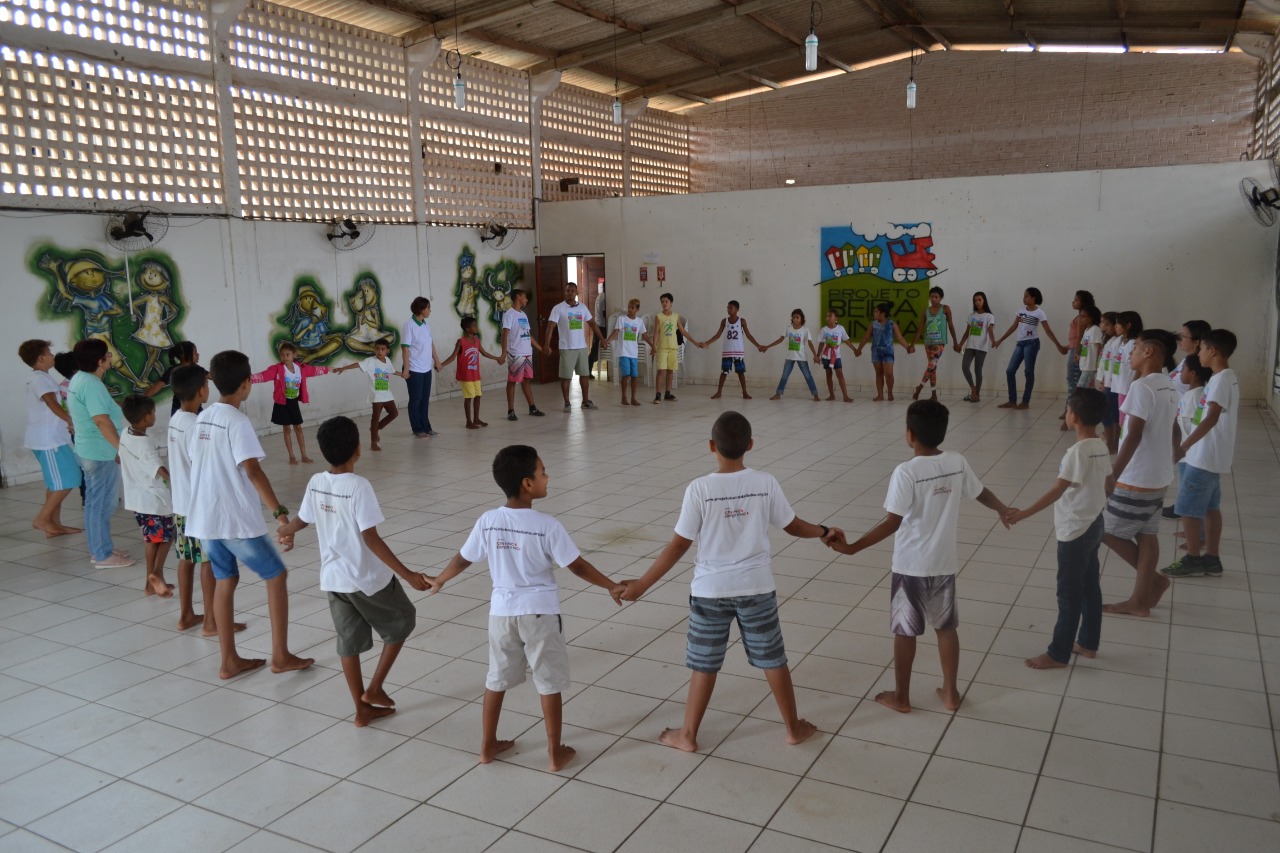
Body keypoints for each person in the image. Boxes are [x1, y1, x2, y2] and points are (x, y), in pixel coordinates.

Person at [618, 411, 820, 751]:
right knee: (773, 659)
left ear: (711, 446)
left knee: (704, 664)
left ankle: (688, 736)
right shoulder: (765, 482)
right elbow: (792, 525)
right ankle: (793, 728)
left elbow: (679, 544)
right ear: (751, 445)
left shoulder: (700, 489)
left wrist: (642, 584)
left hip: (710, 592)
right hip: (757, 588)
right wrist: (824, 532)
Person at [427, 445, 626, 771]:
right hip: (540, 614)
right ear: (527, 484)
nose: (548, 477)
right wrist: (611, 586)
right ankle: (553, 753)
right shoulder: (547, 525)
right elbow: (576, 566)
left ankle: (487, 747)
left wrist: (440, 579)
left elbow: (464, 557)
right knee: (548, 682)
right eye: (542, 472)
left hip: (501, 615)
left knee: (496, 678)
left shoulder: (489, 520)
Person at [823, 401, 1011, 712]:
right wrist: (1003, 509)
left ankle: (902, 697)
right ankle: (951, 694)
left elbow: (892, 522)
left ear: (909, 434)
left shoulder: (906, 472)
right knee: (946, 627)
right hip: (944, 563)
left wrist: (853, 547)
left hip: (911, 566)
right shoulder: (956, 461)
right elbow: (981, 492)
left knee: (905, 631)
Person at [277, 417, 432, 726]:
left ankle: (361, 710)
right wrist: (408, 574)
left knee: (348, 642)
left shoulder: (317, 482)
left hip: (334, 580)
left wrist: (285, 530)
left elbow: (302, 520)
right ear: (357, 450)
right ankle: (374, 689)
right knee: (403, 621)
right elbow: (370, 538)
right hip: (367, 579)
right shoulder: (359, 487)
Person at [185, 350, 314, 679]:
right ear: (246, 384)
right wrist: (281, 514)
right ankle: (280, 656)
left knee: (226, 579)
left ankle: (228, 661)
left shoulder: (203, 417)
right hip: (234, 520)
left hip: (205, 520)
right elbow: (253, 470)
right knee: (276, 575)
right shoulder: (236, 421)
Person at [1005, 389, 1112, 669]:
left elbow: (1057, 490)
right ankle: (1088, 643)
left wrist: (1023, 513)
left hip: (1075, 530)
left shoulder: (1077, 452)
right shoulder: (1101, 444)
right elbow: (1109, 485)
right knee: (1090, 587)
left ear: (1073, 415)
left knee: (1068, 594)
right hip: (1094, 524)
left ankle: (1058, 653)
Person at [1099, 330, 1179, 618]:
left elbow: (1132, 436)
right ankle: (1141, 598)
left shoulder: (1143, 388)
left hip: (1137, 477)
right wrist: (1177, 450)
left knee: (1106, 530)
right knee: (1147, 534)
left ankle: (1153, 584)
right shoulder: (1167, 384)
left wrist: (1111, 475)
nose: (1129, 355)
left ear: (1149, 353)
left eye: (1135, 350)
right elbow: (1172, 425)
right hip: (1159, 474)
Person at [168, 364, 239, 636]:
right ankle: (211, 622)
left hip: (181, 504)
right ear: (201, 390)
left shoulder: (176, 419)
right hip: (198, 507)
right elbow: (202, 464)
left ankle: (186, 614)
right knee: (210, 562)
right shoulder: (195, 424)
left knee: (187, 559)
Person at [1163, 330, 1238, 579]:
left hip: (1203, 456)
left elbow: (1212, 416)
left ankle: (1193, 559)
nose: (1200, 354)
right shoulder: (1223, 378)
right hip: (1211, 456)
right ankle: (1212, 559)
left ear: (1213, 351)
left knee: (1188, 509)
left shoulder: (1220, 380)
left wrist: (1185, 446)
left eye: (1203, 349)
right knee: (1210, 507)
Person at [67, 338, 133, 569]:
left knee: (99, 503)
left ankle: (101, 547)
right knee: (100, 504)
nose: (111, 358)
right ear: (100, 361)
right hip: (98, 452)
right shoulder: (91, 384)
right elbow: (101, 421)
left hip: (92, 449)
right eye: (108, 355)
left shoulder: (81, 379)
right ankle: (102, 554)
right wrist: (121, 449)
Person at [19, 339, 80, 538]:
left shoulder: (41, 377)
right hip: (49, 440)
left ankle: (54, 525)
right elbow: (51, 403)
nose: (53, 356)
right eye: (50, 353)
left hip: (51, 438)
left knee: (56, 483)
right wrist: (70, 420)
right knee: (68, 479)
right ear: (41, 358)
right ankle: (43, 519)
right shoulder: (40, 379)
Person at [118, 395, 176, 599]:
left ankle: (149, 583)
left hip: (136, 499)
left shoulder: (126, 433)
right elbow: (158, 468)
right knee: (168, 536)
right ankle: (156, 573)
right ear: (145, 418)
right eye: (153, 413)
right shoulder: (145, 444)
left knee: (151, 538)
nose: (155, 416)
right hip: (155, 500)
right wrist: (177, 483)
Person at [251, 341, 334, 464]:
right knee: (286, 428)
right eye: (282, 355)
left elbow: (314, 370)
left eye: (287, 354)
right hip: (282, 402)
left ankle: (304, 455)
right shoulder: (277, 369)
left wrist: (328, 369)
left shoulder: (301, 368)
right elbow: (264, 376)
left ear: (294, 355)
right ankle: (291, 456)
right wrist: (248, 379)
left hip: (293, 402)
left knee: (298, 428)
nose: (285, 357)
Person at [1162, 319, 1212, 520]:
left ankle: (1187, 511)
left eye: (1185, 337)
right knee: (1182, 467)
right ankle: (1183, 506)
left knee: (1187, 467)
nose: (1181, 340)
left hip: (1187, 422)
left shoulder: (1198, 367)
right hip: (1178, 418)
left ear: (1198, 342)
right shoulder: (1186, 361)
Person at [994, 287, 1067, 409]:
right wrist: (1000, 340)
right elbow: (1013, 327)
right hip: (1020, 343)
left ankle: (1025, 402)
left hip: (1032, 344)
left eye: (1026, 296)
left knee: (1028, 371)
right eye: (1024, 296)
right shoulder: (1021, 310)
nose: (1024, 298)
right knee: (1010, 371)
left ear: (1033, 298)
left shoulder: (1040, 313)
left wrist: (1058, 345)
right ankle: (1012, 401)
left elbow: (1048, 331)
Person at [542, 283, 607, 412]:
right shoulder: (558, 308)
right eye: (567, 290)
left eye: (572, 290)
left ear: (577, 292)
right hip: (567, 348)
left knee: (584, 375)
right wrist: (546, 345)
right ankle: (567, 403)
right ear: (564, 293)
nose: (570, 292)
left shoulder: (582, 308)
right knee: (566, 377)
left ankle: (585, 401)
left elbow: (593, 324)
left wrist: (602, 339)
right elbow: (550, 327)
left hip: (581, 347)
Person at [440, 316, 503, 429]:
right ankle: (468, 421)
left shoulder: (477, 341)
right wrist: (441, 364)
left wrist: (497, 358)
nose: (476, 327)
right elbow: (453, 356)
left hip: (475, 375)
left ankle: (476, 418)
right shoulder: (461, 342)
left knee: (478, 395)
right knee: (469, 397)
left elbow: (484, 353)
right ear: (468, 329)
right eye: (474, 325)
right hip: (466, 375)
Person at [500, 288, 546, 421]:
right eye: (525, 297)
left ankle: (532, 407)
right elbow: (505, 334)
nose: (526, 300)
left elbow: (528, 335)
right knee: (513, 381)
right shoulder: (510, 314)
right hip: (516, 352)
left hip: (527, 352)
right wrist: (503, 353)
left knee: (526, 380)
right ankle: (510, 410)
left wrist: (539, 348)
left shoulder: (523, 315)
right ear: (518, 297)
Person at [703, 300, 763, 400]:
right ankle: (719, 392)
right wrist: (707, 343)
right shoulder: (724, 321)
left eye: (731, 308)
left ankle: (744, 392)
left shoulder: (742, 321)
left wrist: (758, 345)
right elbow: (717, 335)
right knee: (724, 372)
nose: (728, 309)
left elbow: (748, 335)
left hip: (738, 351)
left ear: (737, 309)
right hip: (727, 351)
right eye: (727, 307)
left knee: (741, 372)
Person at [853, 302, 913, 400]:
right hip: (876, 352)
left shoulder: (892, 324)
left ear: (883, 313)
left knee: (889, 374)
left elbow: (900, 338)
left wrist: (907, 347)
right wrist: (859, 349)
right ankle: (880, 395)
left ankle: (890, 392)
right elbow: (866, 337)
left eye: (876, 312)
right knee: (879, 373)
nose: (874, 314)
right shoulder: (873, 325)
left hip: (888, 351)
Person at [650, 292, 702, 403]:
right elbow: (656, 333)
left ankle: (667, 393)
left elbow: (682, 331)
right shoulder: (659, 317)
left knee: (670, 371)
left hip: (673, 347)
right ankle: (658, 394)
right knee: (661, 371)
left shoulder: (675, 316)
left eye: (666, 301)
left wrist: (695, 342)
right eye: (662, 302)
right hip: (662, 348)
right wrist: (654, 346)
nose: (664, 304)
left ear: (671, 303)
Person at [910, 286, 959, 402]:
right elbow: (920, 329)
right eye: (932, 296)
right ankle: (934, 395)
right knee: (933, 369)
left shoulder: (945, 309)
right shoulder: (925, 312)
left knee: (931, 365)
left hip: (940, 343)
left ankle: (919, 388)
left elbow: (951, 326)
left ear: (940, 298)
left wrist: (956, 342)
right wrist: (912, 344)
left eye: (936, 297)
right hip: (928, 343)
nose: (933, 299)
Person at [401, 296, 441, 438]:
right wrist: (406, 369)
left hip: (426, 368)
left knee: (425, 399)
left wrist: (436, 360)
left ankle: (426, 427)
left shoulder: (425, 324)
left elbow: (430, 343)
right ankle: (417, 429)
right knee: (415, 399)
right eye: (428, 308)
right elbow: (405, 348)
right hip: (414, 368)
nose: (430, 310)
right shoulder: (409, 325)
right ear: (421, 310)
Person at [353, 339, 402, 451]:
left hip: (386, 394)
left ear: (387, 351)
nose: (379, 351)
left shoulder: (387, 360)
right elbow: (358, 364)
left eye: (382, 349)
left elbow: (392, 371)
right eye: (377, 349)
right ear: (375, 349)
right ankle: (374, 442)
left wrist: (403, 375)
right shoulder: (371, 361)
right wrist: (342, 368)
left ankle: (376, 428)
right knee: (375, 418)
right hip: (376, 395)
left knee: (394, 413)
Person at [761, 309, 820, 401]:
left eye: (797, 317)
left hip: (801, 357)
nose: (795, 319)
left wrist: (815, 355)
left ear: (801, 318)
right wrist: (768, 346)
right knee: (784, 375)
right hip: (790, 357)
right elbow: (780, 339)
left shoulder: (805, 329)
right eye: (794, 318)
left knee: (808, 376)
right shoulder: (788, 328)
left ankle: (815, 395)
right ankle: (778, 394)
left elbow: (810, 343)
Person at [602, 297, 652, 406]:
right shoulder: (622, 319)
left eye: (632, 307)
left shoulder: (639, 322)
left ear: (637, 309)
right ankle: (624, 397)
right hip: (623, 352)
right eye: (629, 307)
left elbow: (645, 335)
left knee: (634, 376)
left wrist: (653, 346)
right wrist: (607, 341)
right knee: (626, 375)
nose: (630, 309)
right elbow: (615, 332)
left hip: (633, 353)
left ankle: (633, 398)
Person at [1065, 305, 1103, 431]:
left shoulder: (1095, 330)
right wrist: (1079, 355)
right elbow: (1085, 347)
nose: (1080, 319)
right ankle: (1084, 417)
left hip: (1090, 368)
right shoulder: (1087, 330)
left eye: (1083, 316)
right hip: (1085, 366)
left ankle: (1080, 417)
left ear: (1091, 318)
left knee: (1080, 391)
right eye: (1079, 316)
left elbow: (1098, 347)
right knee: (1086, 393)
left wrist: (1097, 364)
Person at [1061, 290, 1096, 420]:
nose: (1073, 302)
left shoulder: (1082, 317)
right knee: (1073, 380)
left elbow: (1080, 336)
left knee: (1073, 380)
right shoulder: (1080, 316)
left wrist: (1076, 352)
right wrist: (1068, 346)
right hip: (1073, 349)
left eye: (1076, 300)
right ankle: (1071, 409)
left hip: (1076, 351)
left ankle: (1070, 410)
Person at [958, 292, 996, 403]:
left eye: (979, 300)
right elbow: (967, 332)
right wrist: (960, 344)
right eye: (975, 300)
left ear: (984, 300)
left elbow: (990, 331)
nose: (977, 302)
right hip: (970, 346)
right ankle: (973, 389)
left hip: (982, 347)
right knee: (965, 367)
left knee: (977, 370)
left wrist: (993, 341)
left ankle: (976, 395)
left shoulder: (989, 316)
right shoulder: (971, 315)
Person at [142, 340, 199, 415]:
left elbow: (214, 376)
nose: (198, 354)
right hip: (179, 410)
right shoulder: (173, 371)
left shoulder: (198, 369)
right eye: (195, 352)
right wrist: (138, 400)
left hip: (196, 409)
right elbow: (155, 388)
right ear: (185, 355)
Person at [815, 310, 856, 402]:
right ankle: (831, 395)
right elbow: (821, 343)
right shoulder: (824, 330)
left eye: (830, 316)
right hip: (826, 356)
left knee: (839, 374)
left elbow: (846, 340)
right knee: (828, 374)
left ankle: (845, 396)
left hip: (836, 356)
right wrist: (817, 355)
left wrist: (854, 350)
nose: (828, 318)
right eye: (827, 316)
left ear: (836, 318)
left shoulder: (840, 328)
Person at [1096, 312, 1122, 453]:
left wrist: (1108, 380)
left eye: (1106, 323)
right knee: (1105, 412)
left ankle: (1114, 443)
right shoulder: (1110, 341)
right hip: (1107, 382)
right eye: (1102, 323)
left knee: (1113, 413)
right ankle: (1110, 440)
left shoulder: (1120, 342)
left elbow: (1115, 364)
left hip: (1114, 383)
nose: (1103, 326)